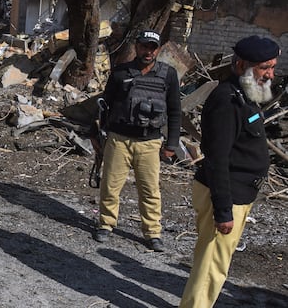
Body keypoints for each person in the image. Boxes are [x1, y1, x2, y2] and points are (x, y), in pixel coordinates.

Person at [179, 35, 279, 307]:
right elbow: (217, 159)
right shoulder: (226, 100)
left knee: (216, 262)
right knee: (211, 265)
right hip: (225, 195)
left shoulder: (247, 94)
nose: (270, 74)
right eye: (264, 68)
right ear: (241, 65)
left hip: (239, 194)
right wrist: (223, 210)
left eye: (272, 66)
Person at [93, 30, 181, 252]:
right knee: (110, 186)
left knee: (150, 190)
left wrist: (171, 144)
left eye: (153, 47)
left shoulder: (168, 75)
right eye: (144, 46)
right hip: (119, 140)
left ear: (158, 49)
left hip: (150, 142)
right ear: (137, 47)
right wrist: (99, 136)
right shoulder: (121, 72)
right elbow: (105, 104)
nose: (148, 51)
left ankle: (153, 233)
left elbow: (175, 111)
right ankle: (106, 224)